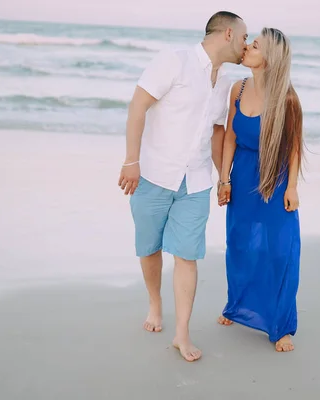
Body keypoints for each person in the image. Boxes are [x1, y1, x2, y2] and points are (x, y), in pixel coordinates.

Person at [117, 11, 248, 362]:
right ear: (228, 33)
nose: (246, 45)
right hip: (154, 174)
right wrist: (132, 161)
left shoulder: (225, 83)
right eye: (244, 37)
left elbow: (218, 132)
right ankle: (155, 304)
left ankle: (182, 333)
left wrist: (224, 177)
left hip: (197, 180)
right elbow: (138, 106)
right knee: (149, 247)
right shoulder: (173, 60)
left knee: (188, 255)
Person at [217, 27, 303, 352]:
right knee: (239, 244)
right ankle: (236, 305)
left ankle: (281, 326)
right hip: (242, 176)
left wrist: (292, 187)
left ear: (268, 59)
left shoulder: (288, 99)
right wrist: (223, 179)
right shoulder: (237, 89)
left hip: (274, 180)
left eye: (254, 46)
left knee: (280, 250)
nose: (246, 48)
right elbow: (230, 136)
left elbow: (294, 147)